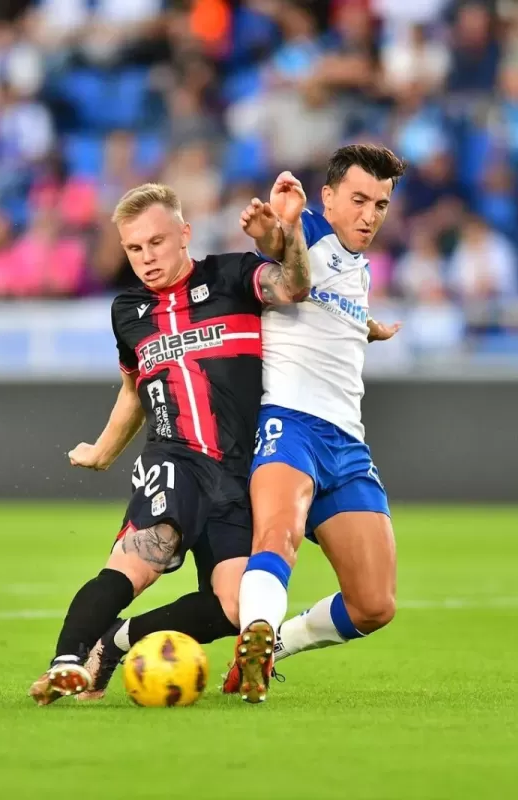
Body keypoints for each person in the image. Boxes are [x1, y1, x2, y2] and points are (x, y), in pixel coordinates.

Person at [28, 182, 311, 704]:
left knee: (232, 606)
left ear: (184, 234)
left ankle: (114, 642)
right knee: (137, 562)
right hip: (175, 458)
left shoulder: (232, 275)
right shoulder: (128, 311)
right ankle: (66, 663)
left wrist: (288, 232)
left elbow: (293, 286)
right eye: (134, 249)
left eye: (156, 242)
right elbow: (134, 387)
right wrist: (104, 449)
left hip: (240, 469)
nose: (146, 258)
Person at [227, 144, 407, 703]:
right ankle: (253, 631)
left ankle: (274, 643)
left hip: (347, 444)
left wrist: (366, 328)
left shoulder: (360, 266)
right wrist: (270, 229)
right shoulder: (305, 225)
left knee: (374, 605)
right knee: (278, 535)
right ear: (327, 197)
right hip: (291, 423)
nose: (370, 215)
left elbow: (333, 309)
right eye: (358, 200)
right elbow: (281, 247)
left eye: (380, 204)